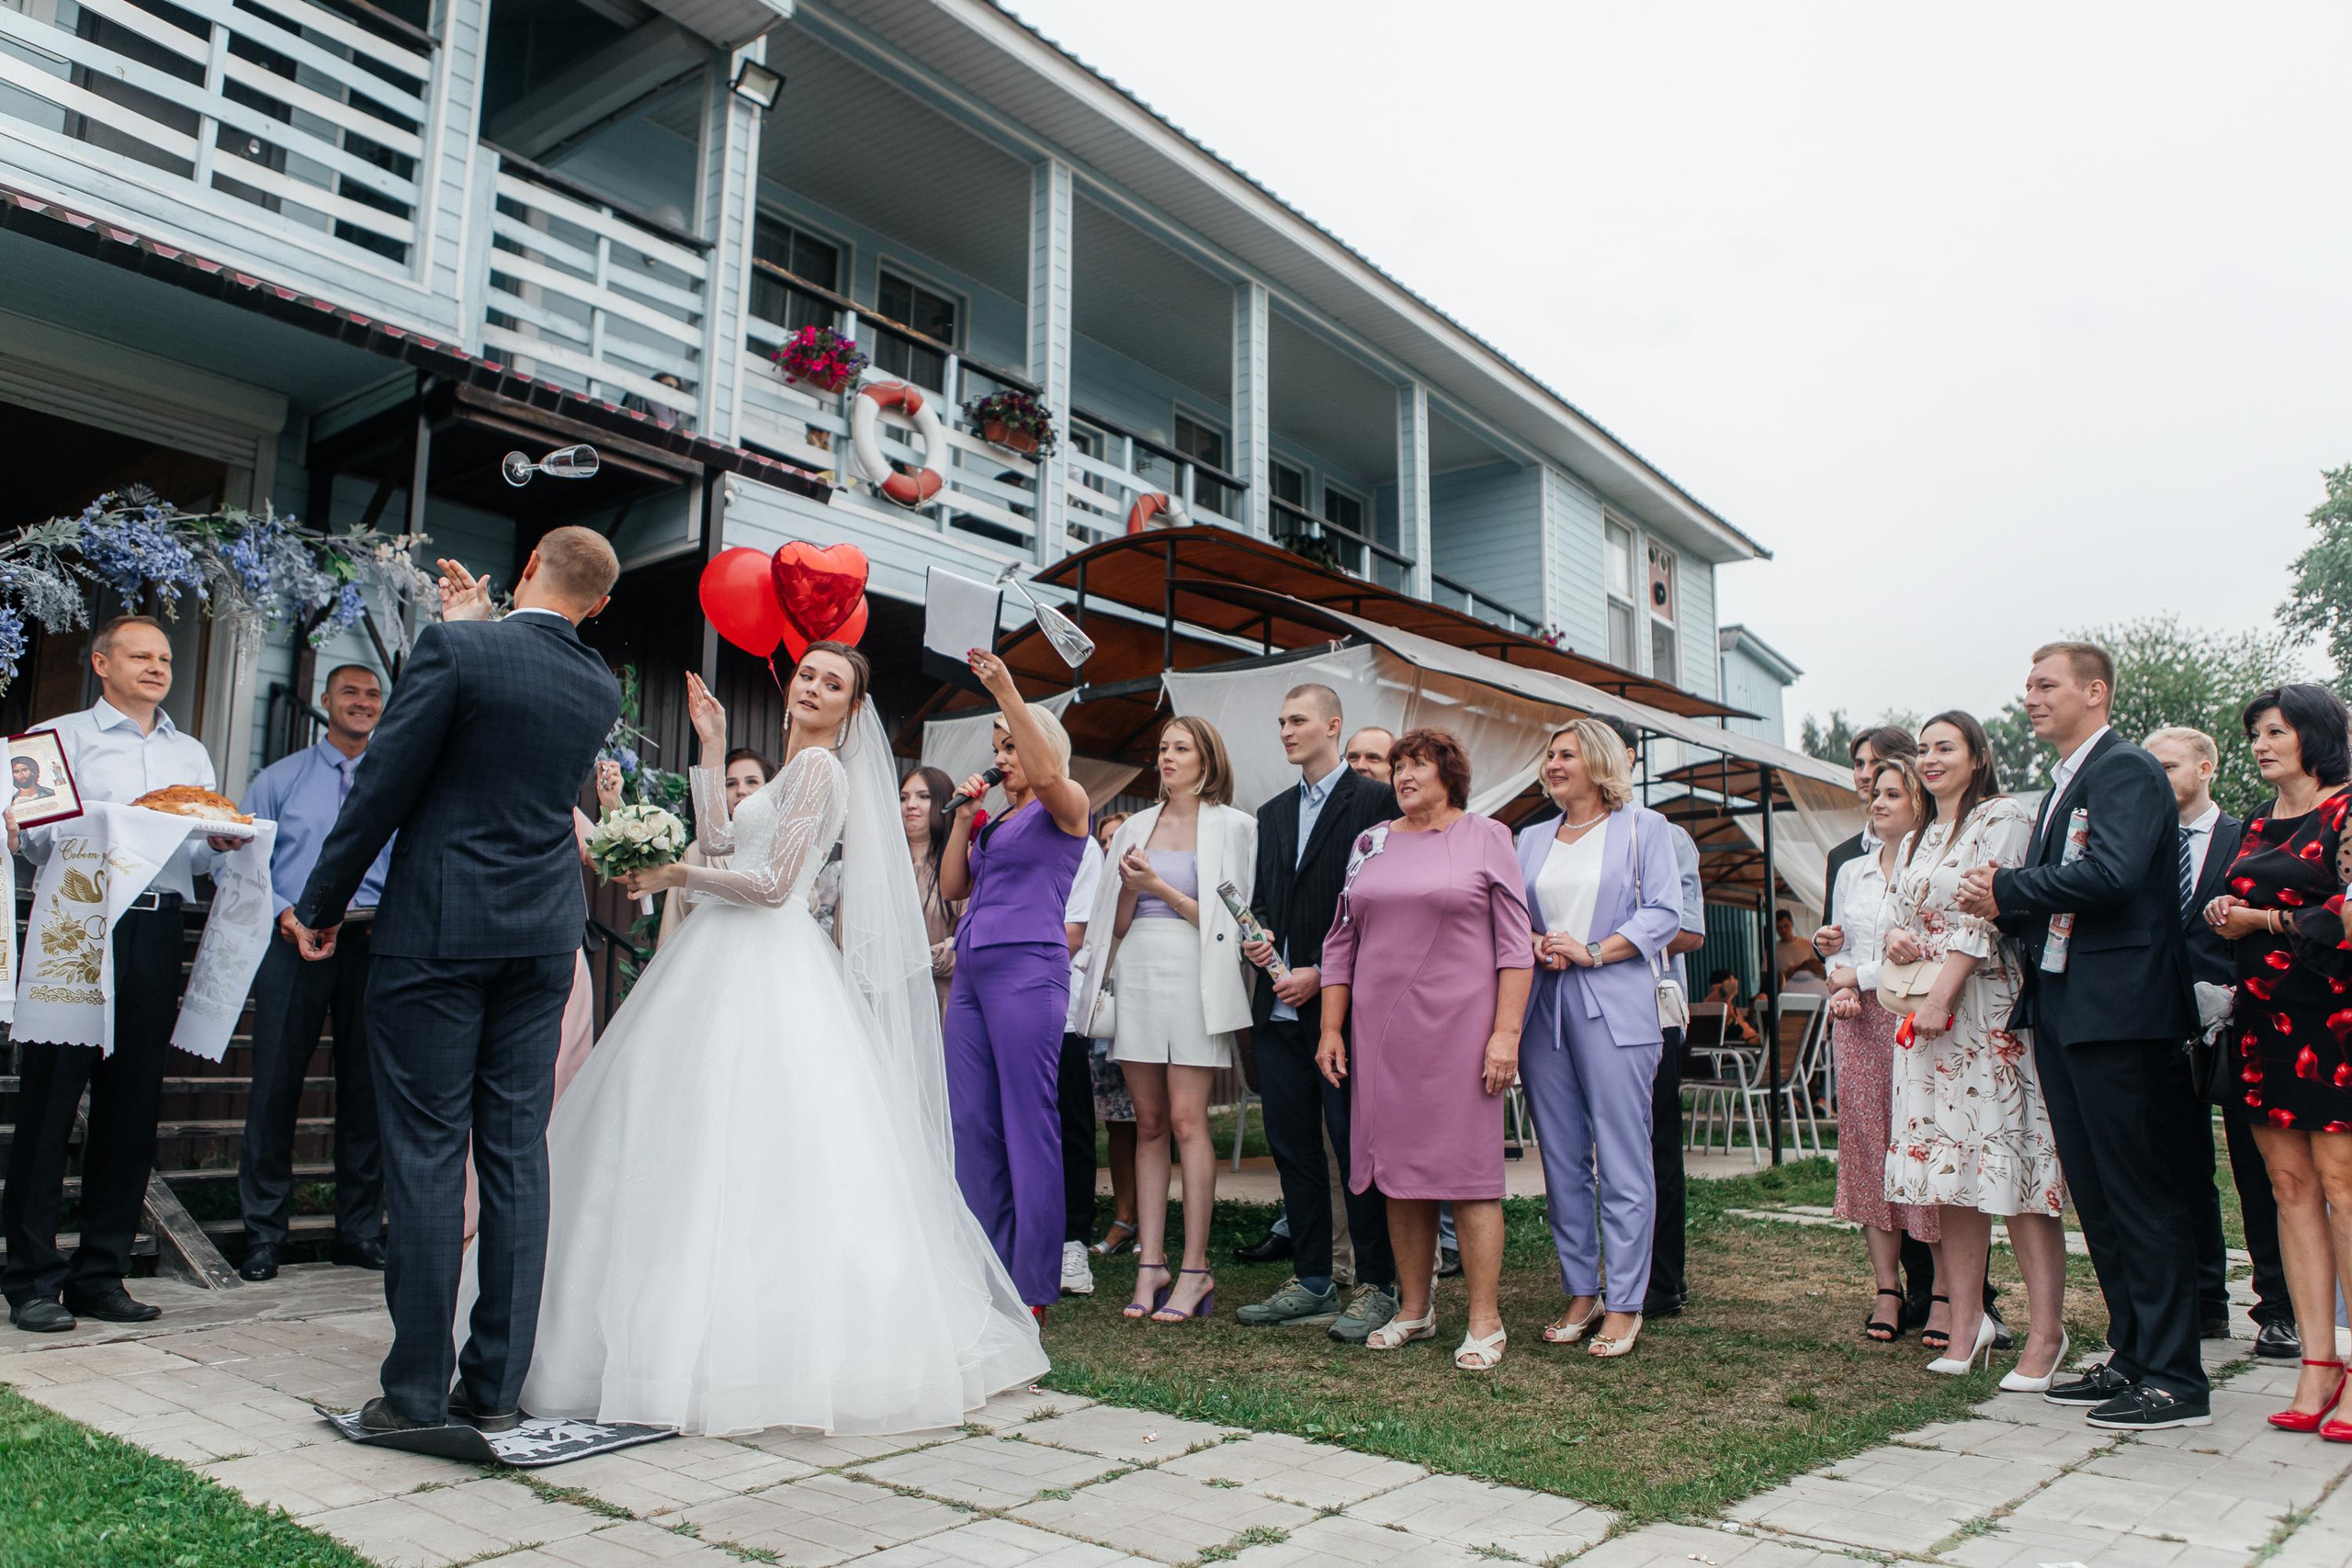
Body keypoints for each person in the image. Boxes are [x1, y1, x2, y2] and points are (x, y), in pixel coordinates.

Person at [510, 647, 1046, 1434]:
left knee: (755, 1143)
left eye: (835, 683)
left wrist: (675, 878)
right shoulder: (791, 769)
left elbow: (769, 888)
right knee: (692, 1137)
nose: (815, 686)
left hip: (766, 960)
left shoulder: (823, 772)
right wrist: (710, 744)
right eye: (809, 674)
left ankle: (750, 1349)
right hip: (721, 957)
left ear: (851, 707)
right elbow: (726, 844)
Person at [287, 527, 623, 1434]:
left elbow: (387, 783)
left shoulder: (455, 649)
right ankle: (495, 1388)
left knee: (432, 1152)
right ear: (600, 604)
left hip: (439, 928)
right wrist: (480, 625)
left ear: (525, 572)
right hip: (545, 935)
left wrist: (319, 902)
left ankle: (411, 1392)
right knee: (516, 1153)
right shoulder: (597, 683)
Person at [1958, 645, 2209, 1429]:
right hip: (2069, 1008)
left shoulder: (2125, 769)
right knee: (2098, 1198)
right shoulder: (2070, 779)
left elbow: (2116, 874)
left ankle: (2176, 1377)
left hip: (2124, 1011)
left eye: (2045, 684)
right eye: (2027, 684)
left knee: (2140, 1192)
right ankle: (2133, 1355)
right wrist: (2006, 903)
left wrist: (2007, 888)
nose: (2029, 696)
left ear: (2094, 692)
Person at [1, 615, 244, 1333]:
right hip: (77, 918)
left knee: (132, 1103)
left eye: (165, 656)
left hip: (158, 921)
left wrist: (221, 840)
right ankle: (30, 1278)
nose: (157, 666)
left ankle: (100, 1274)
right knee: (49, 1105)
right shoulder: (55, 738)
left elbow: (195, 852)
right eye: (140, 654)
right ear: (102, 663)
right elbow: (36, 839)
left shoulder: (192, 752)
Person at [1317, 728, 1532, 1371]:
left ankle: (1486, 1321)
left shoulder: (1488, 836)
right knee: (1399, 1176)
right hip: (1381, 1035)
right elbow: (1340, 942)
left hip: (1463, 1032)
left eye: (1418, 764)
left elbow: (1515, 946)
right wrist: (1331, 1027)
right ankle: (1415, 1307)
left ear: (1450, 773)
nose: (1404, 775)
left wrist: (1506, 1032)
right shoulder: (1371, 842)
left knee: (1468, 1176)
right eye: (1397, 765)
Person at [1884, 710, 2069, 1392]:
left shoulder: (2002, 818)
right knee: (1950, 1176)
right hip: (1924, 1023)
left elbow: (1983, 915)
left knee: (2012, 1168)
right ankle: (1966, 1324)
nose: (1931, 759)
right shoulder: (1918, 834)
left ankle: (2048, 1331)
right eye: (1924, 749)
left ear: (1976, 753)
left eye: (1945, 747)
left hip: (1983, 1013)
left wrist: (1944, 994)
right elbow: (1899, 915)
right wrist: (1894, 943)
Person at [2198, 685, 2352, 1436]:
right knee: (2289, 1186)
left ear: (2314, 735)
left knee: (2343, 1187)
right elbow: (2236, 898)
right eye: (2255, 732)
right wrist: (2224, 913)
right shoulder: (2258, 821)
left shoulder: (2347, 809)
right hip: (2264, 1025)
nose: (2260, 744)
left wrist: (2260, 916)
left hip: (2337, 1028)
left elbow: (2347, 914)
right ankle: (2317, 1364)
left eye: (2275, 730)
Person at [1073, 716, 1256, 1322]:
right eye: (1163, 747)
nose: (1168, 756)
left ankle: (1196, 1268)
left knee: (1185, 1120)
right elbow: (1115, 924)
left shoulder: (1234, 827)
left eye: (1182, 747)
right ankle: (1150, 1261)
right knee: (1146, 1122)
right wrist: (1130, 887)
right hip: (1141, 973)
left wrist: (1161, 886)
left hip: (1197, 973)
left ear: (1208, 759)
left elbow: (1237, 919)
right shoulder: (1134, 824)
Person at [1512, 718, 1681, 1359]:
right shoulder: (1529, 837)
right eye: (1548, 753)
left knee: (1622, 1155)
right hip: (1543, 1005)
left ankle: (1628, 1298)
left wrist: (1592, 951)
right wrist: (1533, 941)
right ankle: (1581, 1287)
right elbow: (1511, 914)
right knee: (1559, 1158)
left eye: (1566, 754)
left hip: (1614, 1000)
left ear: (1599, 762)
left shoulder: (1644, 828)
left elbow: (1665, 912)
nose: (1552, 763)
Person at [1235, 684, 1400, 1341]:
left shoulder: (1376, 802)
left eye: (1297, 719)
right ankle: (1310, 1279)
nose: (1285, 730)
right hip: (1276, 1009)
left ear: (1334, 725)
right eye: (1279, 721)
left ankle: (1378, 1283)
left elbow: (1380, 909)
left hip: (1345, 1008)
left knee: (1353, 1145)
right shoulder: (1272, 812)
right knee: (1293, 1147)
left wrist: (1324, 973)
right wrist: (1261, 937)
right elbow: (1265, 899)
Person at [233, 663, 395, 1283]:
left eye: (373, 694)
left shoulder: (394, 782)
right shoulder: (278, 780)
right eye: (350, 691)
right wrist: (284, 915)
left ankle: (356, 1230)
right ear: (325, 699)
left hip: (373, 941)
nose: (362, 702)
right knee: (275, 1084)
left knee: (367, 1091)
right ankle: (263, 1234)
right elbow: (243, 866)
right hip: (290, 939)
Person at [939, 651, 1091, 1311]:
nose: (1002, 757)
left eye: (1011, 746)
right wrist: (961, 817)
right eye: (997, 747)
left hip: (1028, 969)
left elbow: (1049, 770)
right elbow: (953, 888)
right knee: (971, 1120)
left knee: (1028, 1121)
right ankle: (982, 1266)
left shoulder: (1067, 806)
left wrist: (1004, 689)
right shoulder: (996, 819)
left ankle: (1032, 1284)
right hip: (971, 967)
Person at [2149, 725, 2293, 1358]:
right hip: (2161, 1025)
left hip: (2241, 1025)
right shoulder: (2143, 844)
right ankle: (2206, 1302)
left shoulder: (2249, 838)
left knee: (2259, 1171)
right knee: (2183, 1172)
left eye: (2171, 765)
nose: (2159, 776)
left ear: (2205, 767)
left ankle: (2279, 1309)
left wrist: (2235, 992)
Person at [1814, 756, 1942, 1341]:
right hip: (1861, 1026)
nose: (1879, 802)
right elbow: (1840, 945)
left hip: (1919, 1019)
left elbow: (1924, 950)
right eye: (1877, 793)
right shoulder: (1853, 871)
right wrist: (1836, 974)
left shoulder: (1934, 867)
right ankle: (1886, 1289)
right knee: (1870, 1149)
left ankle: (1943, 1293)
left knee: (1926, 1149)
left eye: (1894, 793)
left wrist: (1854, 978)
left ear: (1920, 802)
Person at [1588, 713, 1708, 1319]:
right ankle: (1600, 1273)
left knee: (1654, 1147)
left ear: (1630, 759)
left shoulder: (1660, 833)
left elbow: (1687, 930)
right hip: (1578, 1009)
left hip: (1650, 1009)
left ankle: (1662, 1280)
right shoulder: (1558, 837)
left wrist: (1611, 937)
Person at [1057, 829, 1106, 1297]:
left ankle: (1074, 1239)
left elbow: (1076, 932)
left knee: (1071, 1126)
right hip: (1000, 1003)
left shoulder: (1082, 846)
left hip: (1059, 1005)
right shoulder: (997, 830)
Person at [657, 749, 773, 949]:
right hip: (707, 958)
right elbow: (674, 921)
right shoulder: (696, 852)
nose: (741, 790)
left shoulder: (784, 845)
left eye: (752, 782)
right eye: (731, 784)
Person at [899, 765, 962, 1012]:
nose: (910, 805)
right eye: (904, 798)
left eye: (923, 796)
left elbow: (971, 939)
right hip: (887, 1003)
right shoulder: (884, 867)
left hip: (940, 1001)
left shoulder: (959, 868)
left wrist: (919, 960)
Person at [1774, 908, 1826, 984]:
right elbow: (1765, 975)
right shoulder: (1773, 949)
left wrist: (1801, 969)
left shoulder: (1807, 944)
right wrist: (1785, 975)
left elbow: (1819, 968)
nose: (1783, 931)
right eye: (1779, 928)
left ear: (1792, 924)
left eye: (1786, 926)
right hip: (1785, 990)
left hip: (1809, 986)